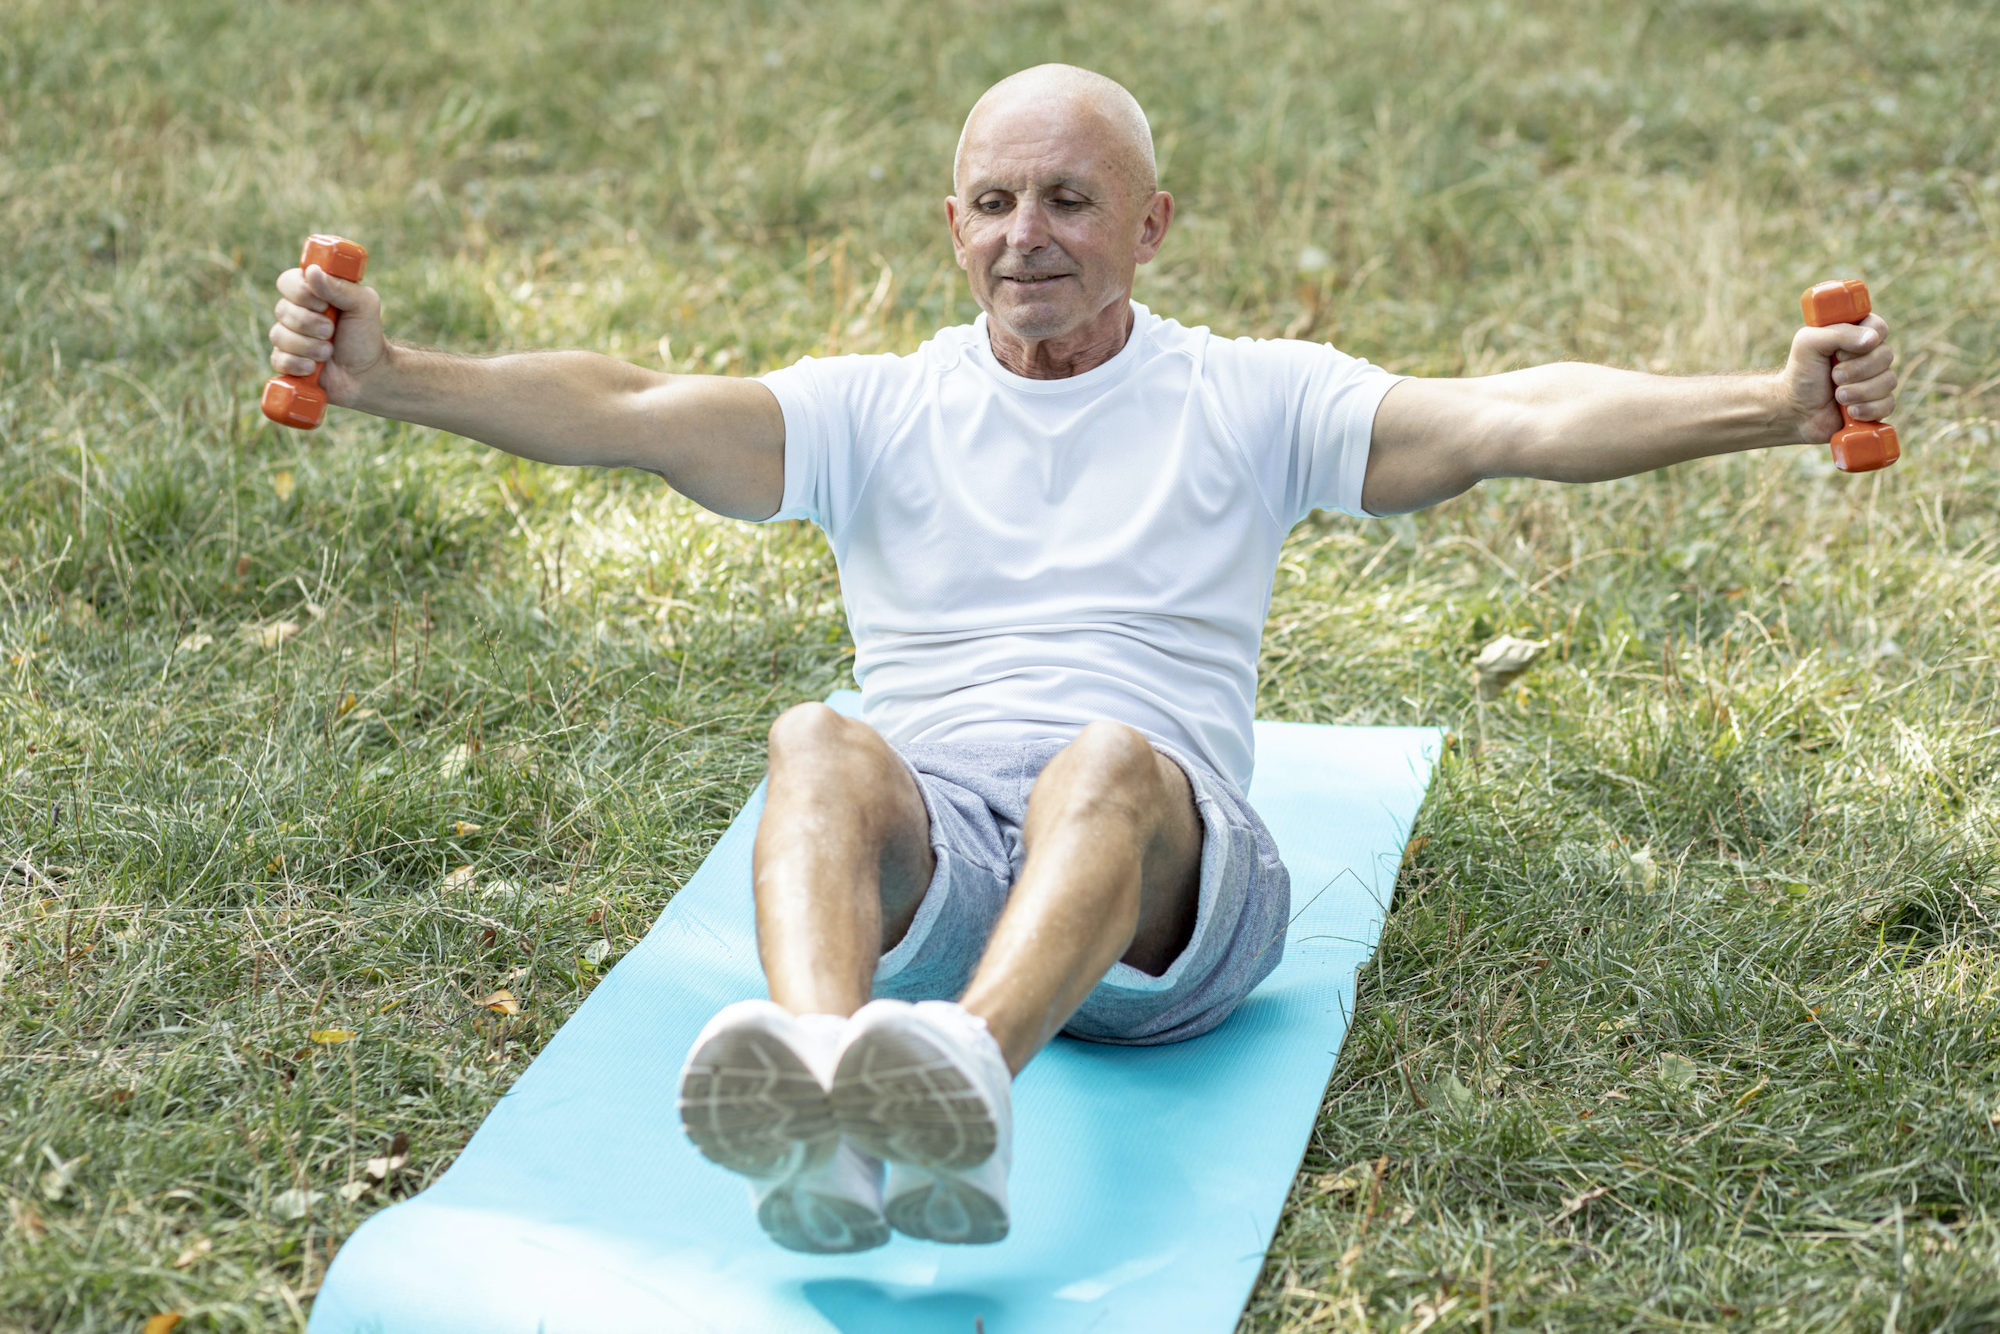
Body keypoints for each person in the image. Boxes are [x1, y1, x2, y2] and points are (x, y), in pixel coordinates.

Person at [266, 64, 1899, 1254]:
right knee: (814, 738)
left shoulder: (1249, 396)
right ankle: (839, 1094)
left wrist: (1770, 404)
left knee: (1105, 758)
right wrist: (396, 374)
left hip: (1165, 895)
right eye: (994, 202)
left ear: (1152, 222)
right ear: (952, 224)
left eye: (1067, 200)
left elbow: (1509, 419)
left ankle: (962, 1075)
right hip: (949, 874)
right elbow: (625, 410)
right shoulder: (878, 405)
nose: (1026, 236)